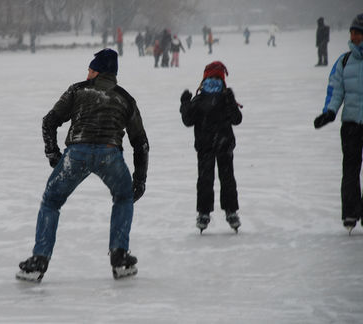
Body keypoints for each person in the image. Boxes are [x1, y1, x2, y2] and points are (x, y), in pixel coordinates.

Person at [16, 48, 149, 281]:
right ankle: (119, 257)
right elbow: (141, 143)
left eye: (89, 69)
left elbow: (49, 122)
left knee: (51, 202)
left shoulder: (78, 90)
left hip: (76, 152)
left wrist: (53, 154)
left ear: (97, 72)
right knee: (124, 197)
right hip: (110, 154)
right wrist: (139, 180)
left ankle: (39, 260)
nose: (87, 73)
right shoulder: (125, 98)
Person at [179, 61, 242, 233]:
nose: (213, 83)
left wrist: (185, 103)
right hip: (219, 144)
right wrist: (230, 100)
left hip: (211, 145)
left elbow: (187, 120)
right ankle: (228, 211)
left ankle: (206, 213)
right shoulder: (218, 98)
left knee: (208, 179)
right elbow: (237, 119)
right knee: (224, 178)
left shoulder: (204, 99)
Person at [313, 13, 363, 233]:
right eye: (352, 32)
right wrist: (329, 112)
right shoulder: (344, 61)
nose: (354, 36)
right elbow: (336, 90)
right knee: (350, 170)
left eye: (358, 33)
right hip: (351, 125)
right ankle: (351, 213)